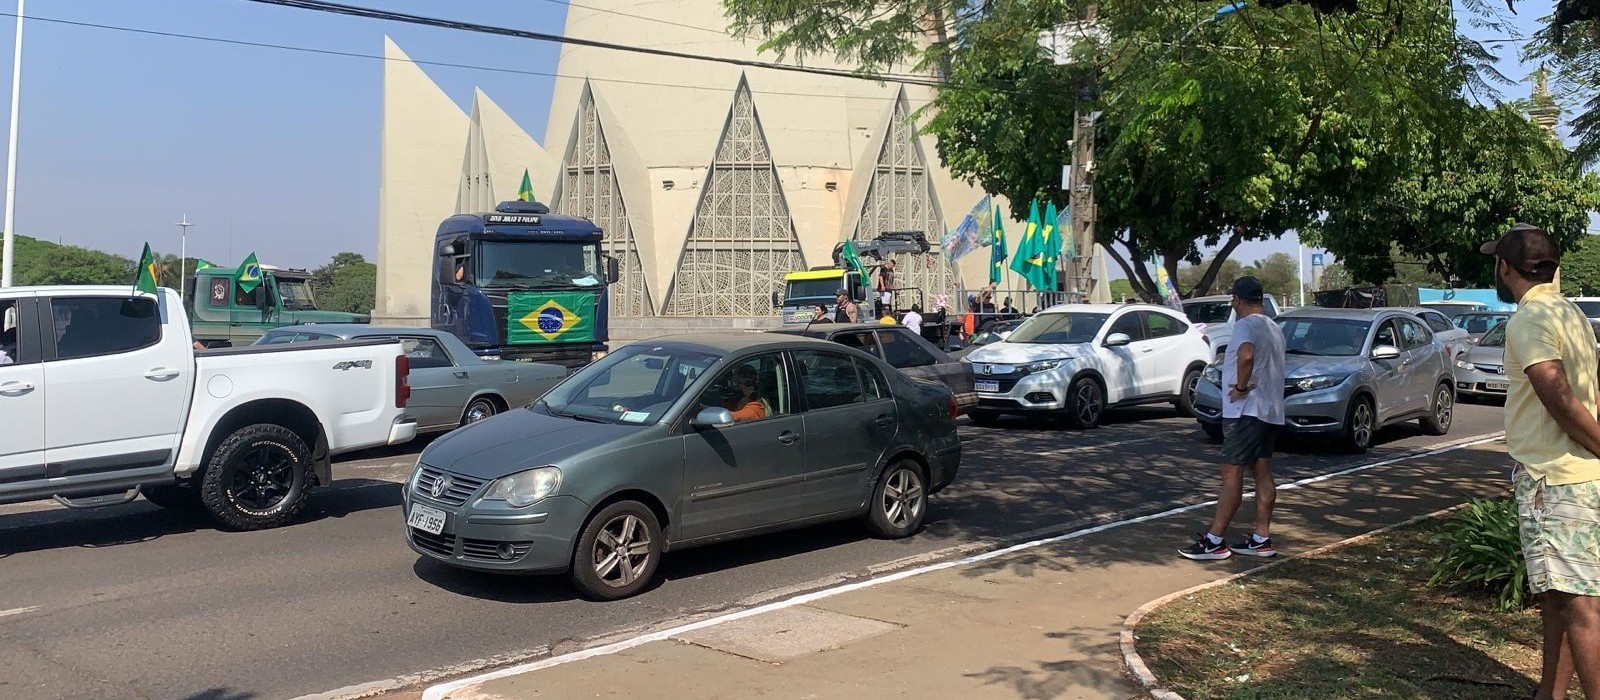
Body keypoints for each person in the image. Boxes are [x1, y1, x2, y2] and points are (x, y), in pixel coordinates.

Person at [1485, 223, 1600, 700]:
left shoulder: (1528, 320)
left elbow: (1556, 392)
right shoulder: (1568, 312)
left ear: (1506, 267)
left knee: (1583, 608)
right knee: (1558, 601)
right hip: (1576, 475)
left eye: (1497, 260)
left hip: (1556, 479)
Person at [1181, 276, 1286, 561]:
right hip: (1269, 410)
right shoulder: (1274, 327)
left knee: (1231, 472)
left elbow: (1246, 356)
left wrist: (1240, 388)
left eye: (1233, 300)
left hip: (1245, 411)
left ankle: (1215, 540)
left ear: (1237, 300)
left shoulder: (1245, 325)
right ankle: (1261, 537)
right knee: (1262, 470)